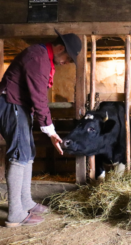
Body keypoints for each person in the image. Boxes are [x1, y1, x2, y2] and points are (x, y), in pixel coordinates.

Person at [0, 29, 81, 227]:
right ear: (60, 48)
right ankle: (15, 214)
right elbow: (39, 98)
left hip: (19, 106)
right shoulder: (38, 57)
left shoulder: (43, 57)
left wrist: (48, 127)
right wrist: (51, 130)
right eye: (68, 58)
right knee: (20, 154)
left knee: (27, 152)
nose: (66, 63)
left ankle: (25, 201)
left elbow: (36, 98)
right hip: (12, 105)